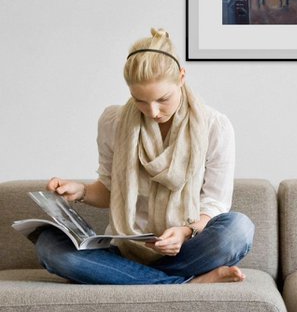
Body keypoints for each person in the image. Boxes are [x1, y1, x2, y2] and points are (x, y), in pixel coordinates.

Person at [33, 28, 255, 285]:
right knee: (48, 246)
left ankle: (130, 278)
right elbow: (110, 190)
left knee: (238, 229)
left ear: (182, 77)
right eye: (139, 100)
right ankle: (184, 284)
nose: (152, 111)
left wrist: (184, 232)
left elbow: (214, 203)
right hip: (124, 250)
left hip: (186, 249)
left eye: (163, 99)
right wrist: (80, 190)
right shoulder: (113, 122)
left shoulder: (215, 126)